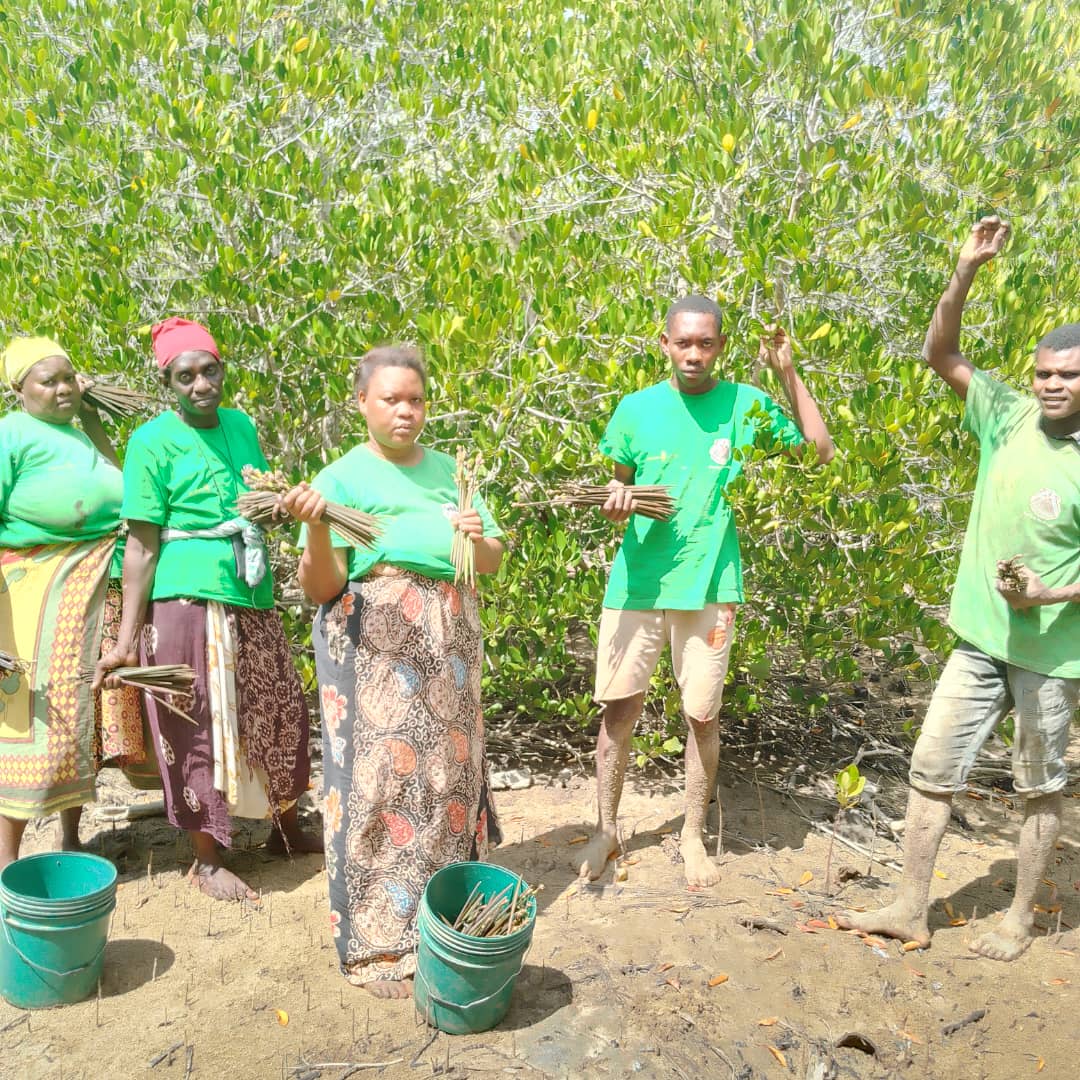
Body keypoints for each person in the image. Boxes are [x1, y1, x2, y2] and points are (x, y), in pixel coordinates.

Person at [840, 217, 1080, 961]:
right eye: (1045, 372)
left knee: (1039, 787)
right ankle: (911, 907)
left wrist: (1051, 595)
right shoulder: (1006, 414)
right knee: (931, 766)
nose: (1052, 385)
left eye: (1068, 375)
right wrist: (965, 269)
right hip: (979, 634)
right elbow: (938, 351)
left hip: (1053, 653)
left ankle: (1019, 919)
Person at [578, 296, 835, 888]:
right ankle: (606, 830)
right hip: (636, 586)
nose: (694, 354)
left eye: (706, 343)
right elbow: (618, 491)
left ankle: (692, 836)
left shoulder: (745, 405)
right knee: (619, 714)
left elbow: (818, 454)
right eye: (683, 343)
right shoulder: (635, 410)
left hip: (712, 584)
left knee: (701, 715)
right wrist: (617, 503)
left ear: (721, 346)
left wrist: (787, 373)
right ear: (663, 343)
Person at [287, 345, 504, 999]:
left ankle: (444, 919)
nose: (406, 411)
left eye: (415, 399)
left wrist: (476, 536)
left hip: (452, 650)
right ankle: (379, 938)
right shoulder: (341, 479)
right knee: (380, 784)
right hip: (375, 656)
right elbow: (321, 585)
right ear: (363, 404)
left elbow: (489, 562)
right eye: (391, 399)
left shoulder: (451, 472)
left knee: (448, 778)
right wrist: (319, 529)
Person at [95, 318, 320, 902]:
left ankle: (285, 827)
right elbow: (142, 545)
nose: (200, 384)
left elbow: (255, 502)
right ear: (166, 380)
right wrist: (124, 639)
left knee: (275, 707)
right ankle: (207, 857)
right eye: (185, 375)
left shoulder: (241, 425)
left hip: (249, 592)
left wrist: (276, 506)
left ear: (223, 369)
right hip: (185, 599)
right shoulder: (149, 441)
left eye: (210, 370)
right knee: (193, 719)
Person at [0, 336, 145, 868]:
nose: (62, 389)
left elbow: (122, 486)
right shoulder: (11, 434)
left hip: (94, 587)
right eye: (48, 381)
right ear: (19, 390)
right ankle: (7, 861)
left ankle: (71, 837)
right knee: (36, 722)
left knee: (82, 723)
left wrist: (92, 416)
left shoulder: (80, 433)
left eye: (68, 378)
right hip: (39, 593)